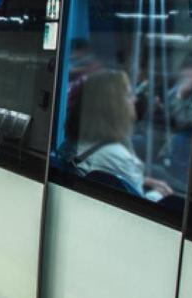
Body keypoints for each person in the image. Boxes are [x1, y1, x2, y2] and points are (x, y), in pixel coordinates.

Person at [65, 69, 174, 202]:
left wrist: (141, 181)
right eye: (128, 95)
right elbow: (139, 209)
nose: (134, 99)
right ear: (113, 106)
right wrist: (158, 194)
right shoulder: (118, 156)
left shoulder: (77, 142)